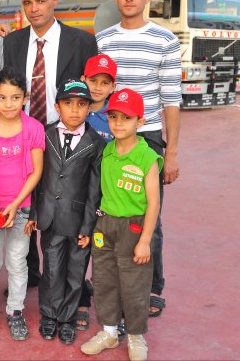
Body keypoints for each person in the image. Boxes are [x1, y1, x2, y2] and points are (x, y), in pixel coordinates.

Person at [3, 0, 99, 292]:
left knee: (68, 207)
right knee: (28, 202)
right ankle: (30, 272)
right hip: (26, 135)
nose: (34, 8)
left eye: (41, 1)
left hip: (67, 138)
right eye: (27, 3)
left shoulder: (82, 41)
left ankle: (72, 284)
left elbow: (90, 90)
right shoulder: (13, 42)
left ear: (55, 1)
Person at [96, 0, 181, 317]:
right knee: (109, 213)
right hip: (109, 135)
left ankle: (151, 287)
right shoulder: (102, 40)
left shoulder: (165, 40)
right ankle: (112, 282)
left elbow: (171, 99)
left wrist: (171, 152)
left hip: (148, 137)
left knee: (148, 216)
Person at [80, 88, 162, 361]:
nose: (118, 123)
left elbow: (154, 203)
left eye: (126, 118)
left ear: (141, 121)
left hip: (134, 228)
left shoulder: (147, 157)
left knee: (134, 283)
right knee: (104, 280)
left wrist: (145, 240)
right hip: (105, 225)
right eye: (113, 117)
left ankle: (136, 335)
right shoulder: (106, 151)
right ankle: (109, 332)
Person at [26, 79, 105, 344]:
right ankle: (49, 315)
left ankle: (68, 318)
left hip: (78, 220)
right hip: (49, 216)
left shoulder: (96, 143)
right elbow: (36, 177)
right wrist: (35, 213)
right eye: (68, 104)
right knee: (51, 269)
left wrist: (88, 226)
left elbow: (94, 190)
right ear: (58, 106)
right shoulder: (44, 134)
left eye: (81, 105)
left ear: (89, 108)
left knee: (75, 271)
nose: (74, 110)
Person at [0, 68, 45, 341]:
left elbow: (36, 171)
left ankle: (15, 310)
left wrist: (16, 204)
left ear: (25, 98)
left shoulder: (33, 128)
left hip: (21, 208)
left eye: (16, 98)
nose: (9, 104)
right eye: (2, 98)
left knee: (17, 262)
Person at [83, 54, 117, 143]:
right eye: (93, 80)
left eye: (105, 83)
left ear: (113, 87)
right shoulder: (73, 111)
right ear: (83, 80)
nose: (98, 88)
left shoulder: (116, 118)